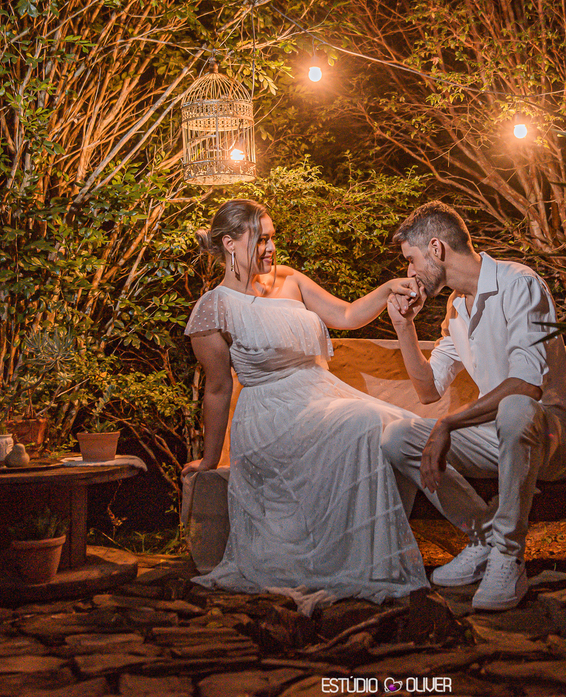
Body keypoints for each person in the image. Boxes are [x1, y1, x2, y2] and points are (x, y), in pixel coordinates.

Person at [182, 198, 428, 611]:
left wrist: (389, 287)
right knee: (363, 421)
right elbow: (218, 389)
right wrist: (209, 459)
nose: (271, 248)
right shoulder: (214, 307)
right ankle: (361, 563)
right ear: (229, 243)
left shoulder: (289, 280)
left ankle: (483, 532)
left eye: (272, 237)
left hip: (319, 394)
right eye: (261, 239)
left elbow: (346, 315)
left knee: (401, 423)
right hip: (270, 415)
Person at [381, 201, 566, 610]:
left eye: (411, 260)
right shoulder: (457, 307)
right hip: (501, 434)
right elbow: (428, 389)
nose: (409, 273)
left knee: (515, 408)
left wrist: (448, 424)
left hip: (552, 434)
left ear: (436, 249)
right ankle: (484, 539)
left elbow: (527, 384)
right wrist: (404, 327)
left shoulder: (519, 283)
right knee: (398, 437)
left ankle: (508, 555)